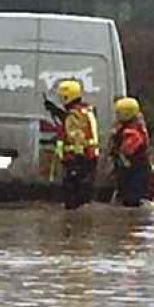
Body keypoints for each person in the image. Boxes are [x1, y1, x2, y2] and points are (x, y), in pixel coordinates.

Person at [54, 78, 100, 210]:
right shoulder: (86, 111)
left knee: (73, 199)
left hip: (77, 160)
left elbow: (78, 136)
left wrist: (77, 158)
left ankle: (75, 225)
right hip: (89, 158)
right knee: (83, 196)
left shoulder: (73, 115)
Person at [108, 96, 154, 207]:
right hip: (132, 171)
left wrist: (116, 146)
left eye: (118, 113)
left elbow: (127, 150)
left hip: (135, 172)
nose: (116, 116)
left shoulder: (132, 133)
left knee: (132, 200)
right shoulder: (132, 127)